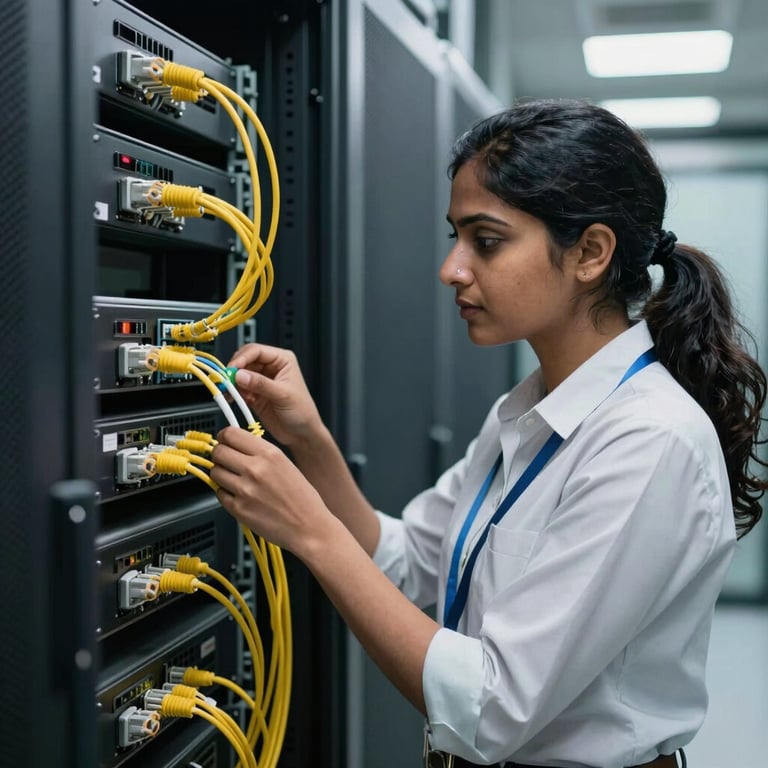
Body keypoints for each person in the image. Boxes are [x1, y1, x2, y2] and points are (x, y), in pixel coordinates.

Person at [209, 98, 768, 768]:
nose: (453, 268)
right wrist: (313, 445)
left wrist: (309, 532)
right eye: (456, 236)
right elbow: (409, 566)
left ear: (590, 252)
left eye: (488, 240)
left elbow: (491, 708)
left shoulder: (649, 441)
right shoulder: (530, 408)